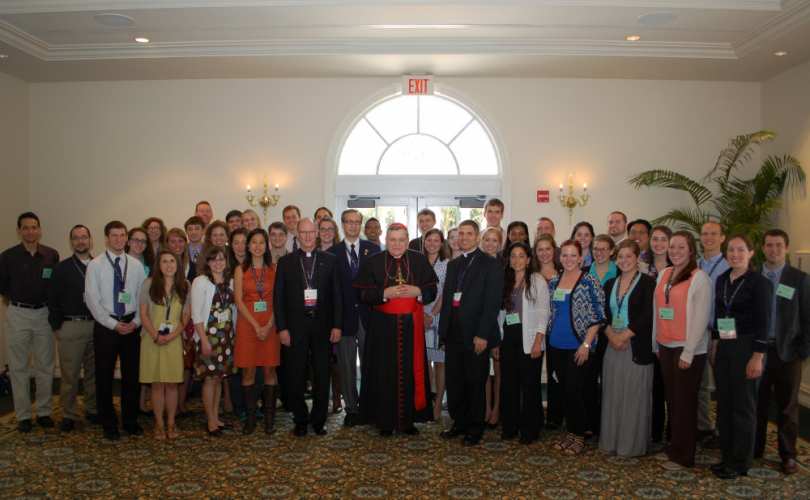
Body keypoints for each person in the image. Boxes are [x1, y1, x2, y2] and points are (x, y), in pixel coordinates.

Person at [356, 222, 437, 436]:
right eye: (392, 240)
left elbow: (432, 289)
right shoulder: (373, 262)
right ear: (386, 240)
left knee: (411, 371)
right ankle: (385, 422)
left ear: (408, 239)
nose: (397, 244)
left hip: (411, 327)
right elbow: (362, 294)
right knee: (383, 373)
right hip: (382, 328)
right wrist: (385, 294)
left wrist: (417, 290)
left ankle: (408, 421)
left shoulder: (419, 260)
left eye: (401, 239)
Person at [708, 235, 770, 479]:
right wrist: (714, 343)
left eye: (740, 250)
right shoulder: (723, 279)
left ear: (751, 253)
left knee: (743, 407)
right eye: (731, 250)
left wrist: (758, 357)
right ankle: (726, 456)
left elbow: (764, 323)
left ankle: (740, 461)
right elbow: (719, 313)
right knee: (724, 404)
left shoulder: (759, 283)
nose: (735, 254)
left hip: (747, 347)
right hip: (724, 346)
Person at [274, 219, 342, 437]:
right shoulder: (286, 262)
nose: (307, 236)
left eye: (311, 232)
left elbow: (337, 297)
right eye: (303, 233)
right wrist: (282, 328)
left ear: (317, 234)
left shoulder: (331, 260)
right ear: (298, 236)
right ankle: (300, 419)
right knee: (296, 375)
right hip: (295, 327)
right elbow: (279, 298)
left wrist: (337, 325)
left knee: (322, 375)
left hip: (323, 326)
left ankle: (319, 420)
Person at [438, 220, 503, 446]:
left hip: (476, 334)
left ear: (477, 237)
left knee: (475, 382)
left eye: (468, 234)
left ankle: (475, 428)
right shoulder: (454, 264)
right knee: (455, 382)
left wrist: (483, 335)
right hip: (454, 334)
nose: (463, 238)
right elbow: (448, 301)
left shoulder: (490, 264)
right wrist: (443, 333)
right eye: (460, 234)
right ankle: (460, 422)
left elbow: (492, 303)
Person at [653, 230, 712, 468]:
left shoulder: (699, 278)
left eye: (681, 247)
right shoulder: (664, 274)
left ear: (690, 251)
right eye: (672, 247)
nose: (675, 251)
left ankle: (684, 455)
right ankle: (674, 447)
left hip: (688, 351)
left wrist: (688, 352)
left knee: (685, 403)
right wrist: (655, 342)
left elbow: (700, 319)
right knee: (673, 401)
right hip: (665, 347)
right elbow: (658, 310)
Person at [85, 220, 147, 440]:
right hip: (106, 326)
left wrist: (137, 322)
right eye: (114, 236)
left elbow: (143, 298)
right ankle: (108, 422)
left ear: (127, 238)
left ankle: (130, 421)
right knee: (104, 376)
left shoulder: (136, 265)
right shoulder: (96, 265)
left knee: (132, 376)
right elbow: (91, 299)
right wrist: (112, 324)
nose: (119, 239)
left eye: (122, 235)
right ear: (106, 238)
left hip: (131, 326)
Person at [755, 229, 810, 475]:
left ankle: (787, 454)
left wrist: (802, 350)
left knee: (787, 407)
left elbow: (808, 318)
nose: (773, 250)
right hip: (758, 350)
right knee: (757, 402)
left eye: (778, 245)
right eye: (769, 245)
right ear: (762, 248)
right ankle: (754, 448)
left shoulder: (799, 279)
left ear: (786, 248)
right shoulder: (753, 276)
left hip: (788, 352)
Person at [0, 212, 59, 433]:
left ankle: (43, 412)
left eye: (34, 227)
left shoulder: (51, 255)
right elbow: (3, 288)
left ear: (39, 229)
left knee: (46, 366)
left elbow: (55, 286)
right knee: (18, 367)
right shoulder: (7, 257)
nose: (30, 231)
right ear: (19, 231)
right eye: (25, 228)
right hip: (18, 314)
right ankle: (23, 415)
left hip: (43, 314)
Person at [546, 240, 605, 455]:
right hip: (556, 345)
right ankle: (571, 432)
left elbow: (598, 316)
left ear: (581, 258)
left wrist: (587, 344)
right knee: (564, 390)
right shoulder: (554, 281)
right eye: (565, 255)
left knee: (575, 391)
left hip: (578, 346)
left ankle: (579, 435)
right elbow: (553, 312)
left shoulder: (589, 280)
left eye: (573, 255)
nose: (568, 259)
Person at [600, 240, 656, 457]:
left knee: (633, 396)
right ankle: (611, 441)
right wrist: (611, 336)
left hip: (635, 347)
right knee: (613, 395)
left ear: (637, 258)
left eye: (628, 256)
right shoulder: (609, 284)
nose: (624, 260)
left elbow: (647, 315)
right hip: (612, 345)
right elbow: (602, 313)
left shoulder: (648, 283)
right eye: (620, 257)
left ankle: (630, 445)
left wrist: (624, 335)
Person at [328, 209, 380, 427]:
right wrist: (335, 323)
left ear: (361, 225)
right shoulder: (333, 253)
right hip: (344, 319)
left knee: (370, 364)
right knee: (347, 366)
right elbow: (332, 291)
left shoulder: (373, 249)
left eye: (356, 222)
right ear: (342, 224)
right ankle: (352, 408)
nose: (352, 226)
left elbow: (378, 285)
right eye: (348, 222)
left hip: (369, 317)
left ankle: (369, 406)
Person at [497, 241, 549, 444]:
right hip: (508, 336)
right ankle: (510, 427)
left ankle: (530, 429)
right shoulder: (506, 280)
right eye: (513, 256)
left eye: (521, 256)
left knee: (530, 386)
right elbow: (501, 313)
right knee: (509, 384)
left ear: (528, 260)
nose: (517, 260)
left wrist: (538, 341)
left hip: (530, 338)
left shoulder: (537, 280)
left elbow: (544, 313)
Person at [48, 224, 97, 431]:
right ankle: (68, 413)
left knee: (95, 372)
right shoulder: (62, 268)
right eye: (76, 238)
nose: (80, 241)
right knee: (70, 374)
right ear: (71, 242)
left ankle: (93, 409)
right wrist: (58, 326)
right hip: (71, 325)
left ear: (90, 240)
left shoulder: (99, 265)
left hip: (97, 325)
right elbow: (53, 298)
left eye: (84, 237)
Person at [234, 229, 280, 435]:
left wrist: (268, 325)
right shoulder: (240, 270)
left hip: (270, 324)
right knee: (248, 372)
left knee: (270, 370)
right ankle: (250, 418)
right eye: (254, 242)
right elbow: (238, 300)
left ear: (266, 245)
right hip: (248, 325)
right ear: (248, 246)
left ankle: (269, 418)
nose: (258, 246)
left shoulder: (274, 269)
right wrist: (255, 326)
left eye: (262, 242)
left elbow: (279, 300)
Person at [139, 251, 189, 440]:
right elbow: (143, 314)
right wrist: (155, 335)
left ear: (178, 264)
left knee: (172, 384)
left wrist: (171, 336)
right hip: (151, 340)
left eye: (172, 261)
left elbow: (186, 316)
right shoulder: (149, 284)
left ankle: (171, 423)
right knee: (157, 385)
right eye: (165, 261)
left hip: (173, 341)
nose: (169, 265)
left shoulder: (184, 286)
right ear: (158, 265)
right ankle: (159, 424)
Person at [192, 246, 236, 436]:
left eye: (221, 259)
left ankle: (216, 417)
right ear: (208, 262)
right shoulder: (200, 281)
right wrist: (203, 340)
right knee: (210, 379)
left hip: (225, 337)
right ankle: (210, 421)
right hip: (208, 337)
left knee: (219, 378)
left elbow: (232, 311)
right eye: (214, 259)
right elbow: (196, 315)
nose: (218, 263)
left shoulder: (230, 281)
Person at [697, 221, 729, 445]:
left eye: (713, 234)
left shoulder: (729, 266)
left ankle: (724, 430)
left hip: (719, 334)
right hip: (697, 334)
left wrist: (720, 338)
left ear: (722, 238)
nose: (708, 238)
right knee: (701, 384)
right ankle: (703, 427)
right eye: (705, 234)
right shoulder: (695, 264)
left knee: (724, 383)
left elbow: (730, 306)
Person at [533, 233, 563, 430]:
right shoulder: (531, 274)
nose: (544, 253)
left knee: (556, 375)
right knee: (533, 375)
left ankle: (555, 415)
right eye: (540, 249)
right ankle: (534, 415)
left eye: (548, 249)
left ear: (554, 251)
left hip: (557, 331)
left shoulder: (563, 273)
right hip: (534, 332)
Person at [646, 225, 672, 446]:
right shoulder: (642, 266)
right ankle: (655, 430)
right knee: (654, 386)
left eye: (664, 240)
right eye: (655, 239)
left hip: (671, 332)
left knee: (672, 388)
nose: (659, 243)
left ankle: (673, 432)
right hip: (647, 332)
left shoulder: (678, 268)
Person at [421, 228, 449, 421]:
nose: (432, 243)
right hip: (420, 317)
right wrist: (422, 314)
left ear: (441, 243)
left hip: (439, 317)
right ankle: (428, 401)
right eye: (428, 240)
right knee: (425, 363)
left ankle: (439, 402)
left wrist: (432, 313)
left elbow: (446, 293)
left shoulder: (447, 264)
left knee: (440, 363)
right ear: (424, 242)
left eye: (436, 240)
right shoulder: (417, 262)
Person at [479, 226, 503, 428]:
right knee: (484, 370)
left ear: (500, 243)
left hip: (501, 321)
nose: (489, 243)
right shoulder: (476, 264)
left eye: (494, 240)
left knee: (499, 368)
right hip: (481, 322)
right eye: (486, 239)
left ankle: (497, 409)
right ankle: (485, 407)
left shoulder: (505, 266)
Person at [185, 216, 205, 281]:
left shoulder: (209, 250)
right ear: (186, 232)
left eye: (197, 228)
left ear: (203, 231)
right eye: (190, 229)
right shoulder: (182, 250)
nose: (193, 232)